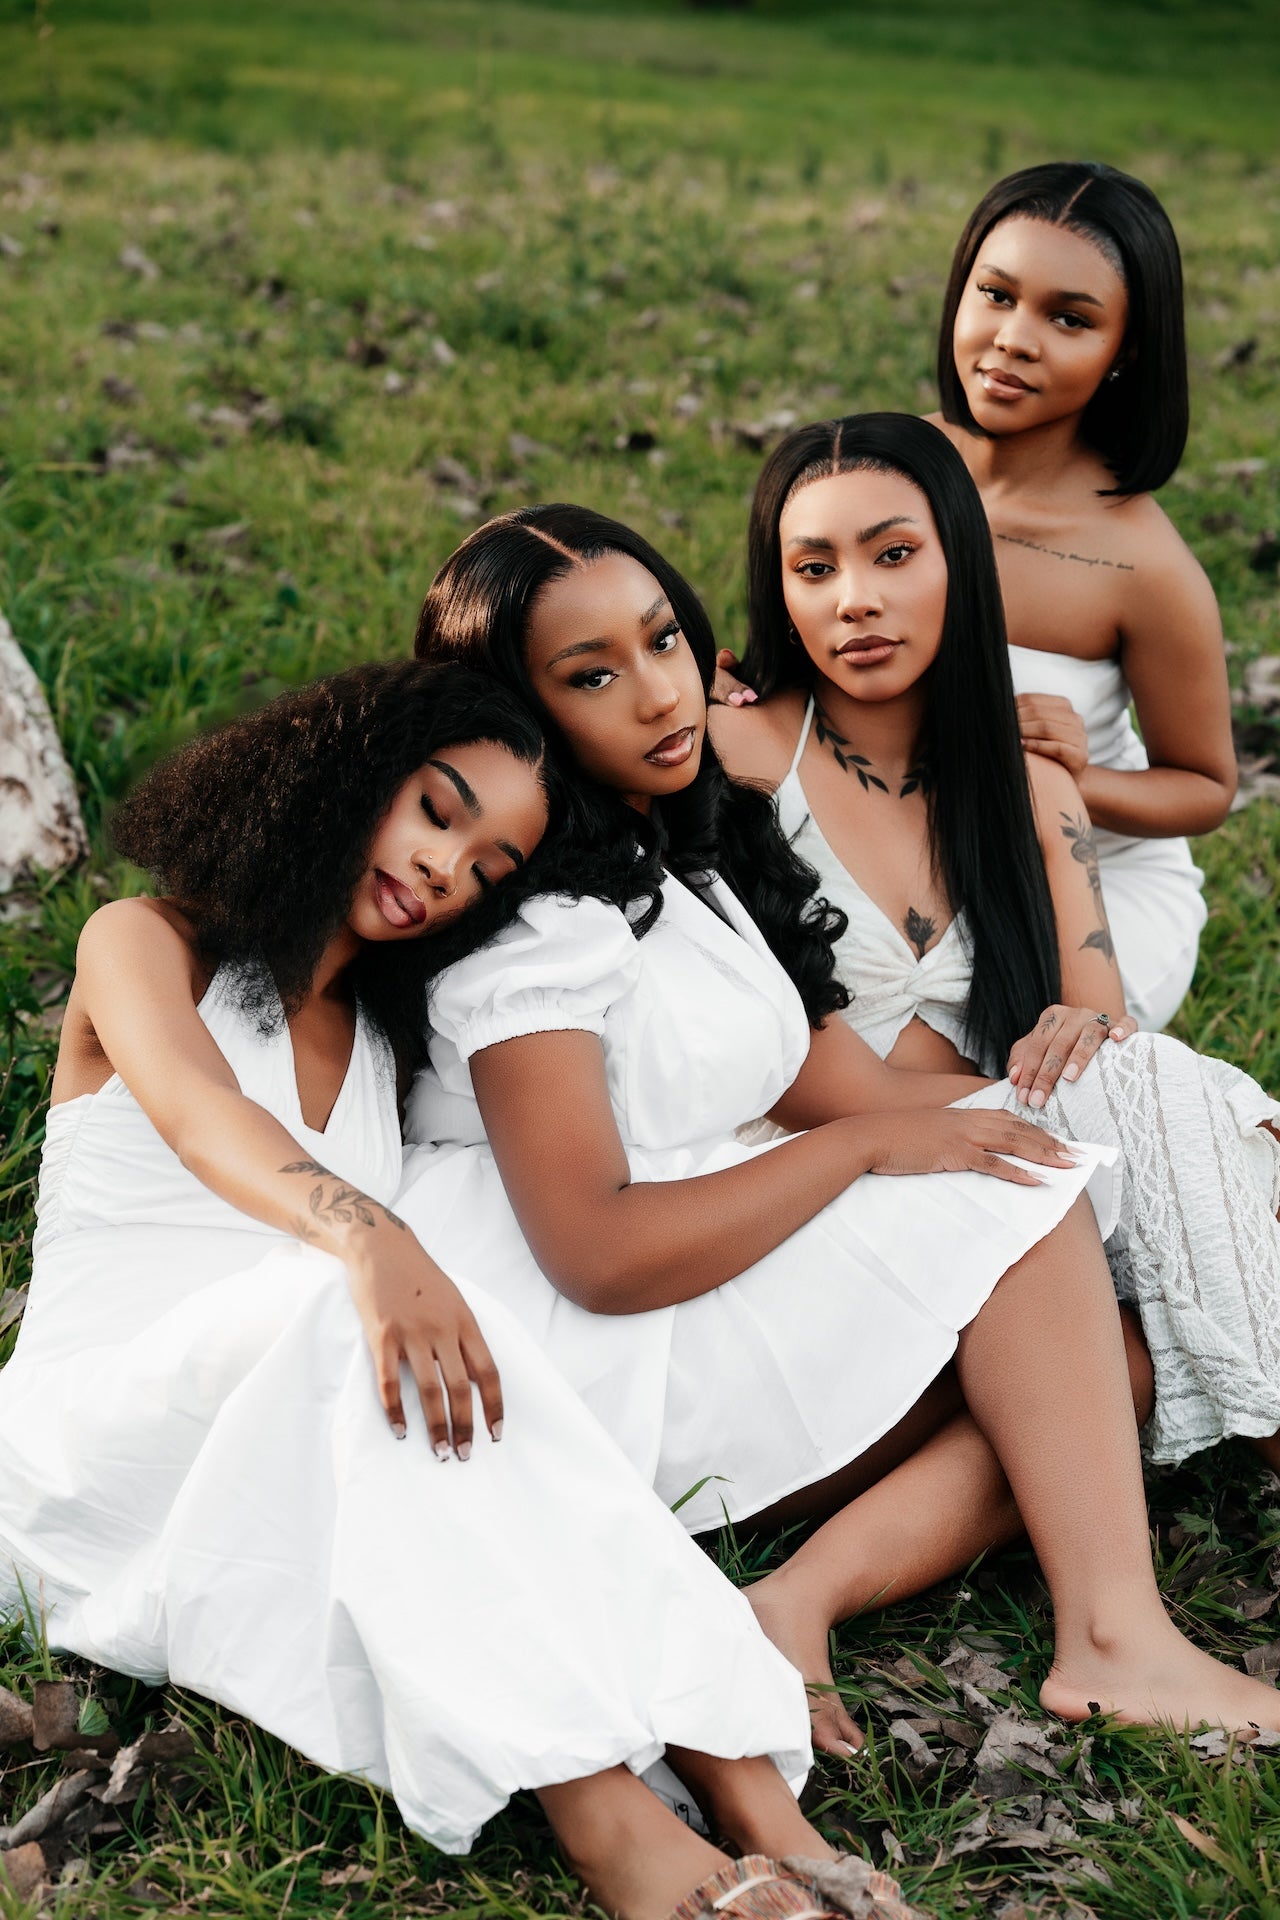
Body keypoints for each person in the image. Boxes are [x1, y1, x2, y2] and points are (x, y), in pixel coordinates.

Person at [0, 660, 898, 1920]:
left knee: (449, 1372)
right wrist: (368, 1238)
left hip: (284, 1435)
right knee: (353, 1319)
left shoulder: (382, 1043)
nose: (443, 869)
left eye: (487, 868)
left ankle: (749, 1792)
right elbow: (201, 1117)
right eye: (435, 810)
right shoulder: (145, 940)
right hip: (94, 1448)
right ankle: (610, 1823)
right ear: (345, 769)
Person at [403, 504, 1280, 1762]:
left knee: (1109, 1328)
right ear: (511, 718)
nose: (657, 694)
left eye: (662, 641)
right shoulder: (536, 936)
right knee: (1022, 1216)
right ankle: (1114, 1637)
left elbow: (854, 1092)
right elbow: (597, 1252)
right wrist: (864, 1156)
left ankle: (794, 1602)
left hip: (724, 1254)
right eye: (591, 676)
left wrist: (1172, 1115)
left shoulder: (679, 861)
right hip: (611, 1355)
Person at [710, 412, 1280, 1742]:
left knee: (1122, 1354)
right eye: (813, 568)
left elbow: (1098, 1026)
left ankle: (801, 1600)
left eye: (892, 554)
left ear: (959, 561)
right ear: (778, 593)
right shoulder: (739, 763)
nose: (854, 600)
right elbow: (772, 1069)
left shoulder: (1026, 782)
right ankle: (1126, 1624)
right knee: (1199, 1122)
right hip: (809, 1184)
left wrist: (1095, 1061)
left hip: (986, 1190)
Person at [928, 160, 1236, 1030]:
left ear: (1124, 351)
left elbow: (1205, 787)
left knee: (980, 1049)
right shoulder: (889, 471)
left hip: (1092, 882)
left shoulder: (1144, 566)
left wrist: (1064, 778)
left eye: (1069, 318)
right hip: (911, 843)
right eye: (996, 294)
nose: (1014, 339)